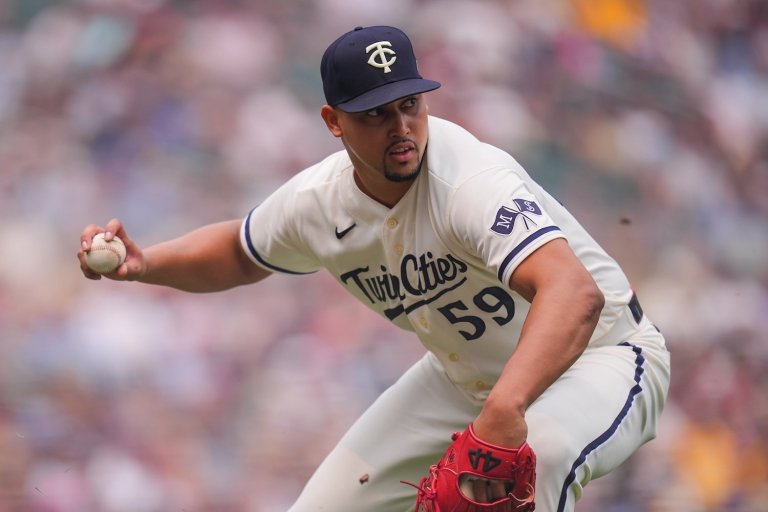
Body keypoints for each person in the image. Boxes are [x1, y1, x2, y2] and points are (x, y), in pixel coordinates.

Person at [77, 25, 670, 512]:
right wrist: (147, 262)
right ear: (334, 122)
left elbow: (574, 292)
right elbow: (240, 250)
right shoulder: (319, 202)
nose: (402, 127)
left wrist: (504, 410)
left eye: (410, 105)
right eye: (376, 114)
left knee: (537, 462)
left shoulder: (467, 181)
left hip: (603, 358)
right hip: (467, 382)